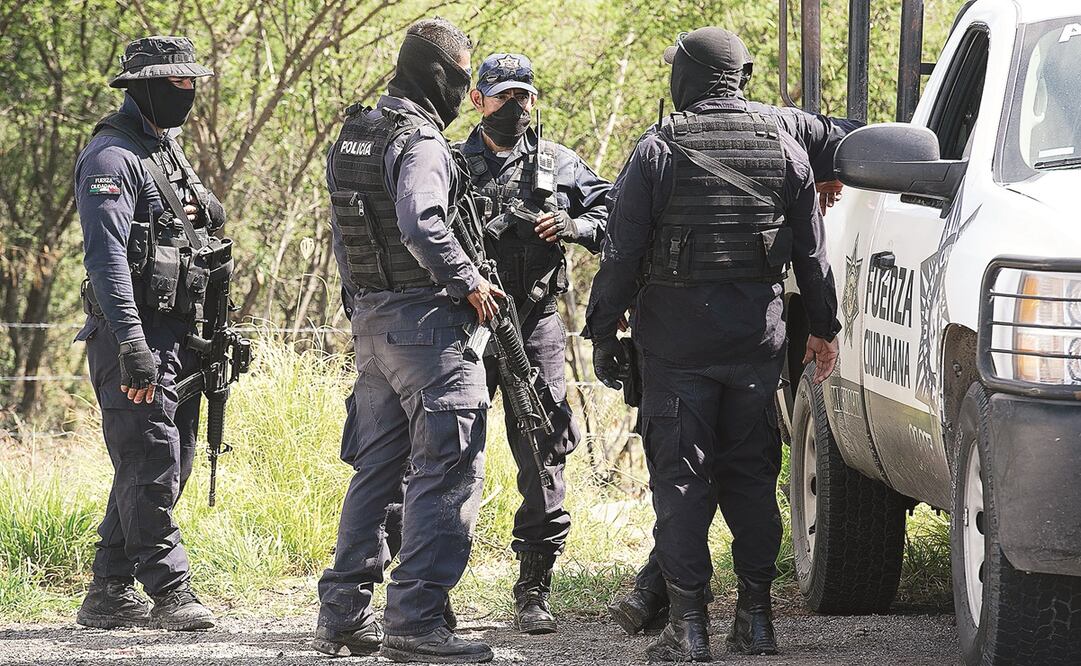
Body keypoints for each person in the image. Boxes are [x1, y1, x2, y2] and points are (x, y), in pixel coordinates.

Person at [585, 27, 841, 662]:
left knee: (681, 482)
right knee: (753, 478)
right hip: (755, 347)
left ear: (689, 77)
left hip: (675, 351)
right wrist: (824, 330)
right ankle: (756, 620)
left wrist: (601, 332)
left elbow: (620, 256)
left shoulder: (657, 151)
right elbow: (812, 256)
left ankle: (689, 627)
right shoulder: (786, 149)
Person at [313, 18, 500, 664]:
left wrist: (360, 308)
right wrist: (468, 279)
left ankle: (341, 614)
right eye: (463, 79)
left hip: (372, 325)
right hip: (426, 330)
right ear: (437, 75)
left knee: (378, 470)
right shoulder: (420, 143)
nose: (465, 93)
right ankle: (417, 620)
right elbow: (420, 222)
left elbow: (343, 234)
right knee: (447, 467)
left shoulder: (356, 134)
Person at [455, 52, 610, 634]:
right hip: (466, 326)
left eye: (523, 95)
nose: (514, 106)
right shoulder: (450, 164)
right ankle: (430, 588)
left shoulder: (558, 163)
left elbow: (614, 212)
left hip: (536, 324)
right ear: (477, 99)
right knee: (446, 454)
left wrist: (572, 227)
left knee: (544, 450)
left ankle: (533, 588)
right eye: (502, 96)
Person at [73, 35, 224, 632]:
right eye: (178, 84)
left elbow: (201, 233)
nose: (188, 94)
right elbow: (106, 259)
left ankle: (109, 588)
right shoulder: (112, 158)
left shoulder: (164, 152)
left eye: (192, 83)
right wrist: (133, 346)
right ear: (146, 88)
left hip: (178, 338)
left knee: (164, 459)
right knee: (152, 458)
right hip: (132, 339)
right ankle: (171, 589)